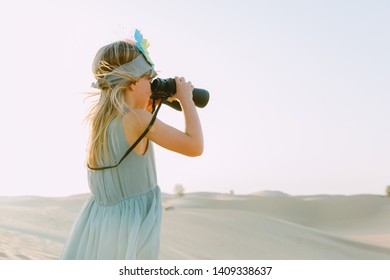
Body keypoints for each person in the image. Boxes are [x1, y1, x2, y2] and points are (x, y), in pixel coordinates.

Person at [61, 30, 203, 259]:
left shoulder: (102, 121)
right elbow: (194, 146)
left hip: (99, 227)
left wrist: (147, 105)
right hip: (130, 230)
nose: (152, 84)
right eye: (149, 78)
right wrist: (186, 100)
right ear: (133, 83)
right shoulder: (138, 119)